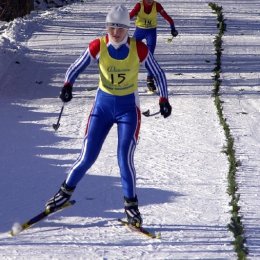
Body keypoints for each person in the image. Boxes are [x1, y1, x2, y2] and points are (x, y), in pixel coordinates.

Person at [45, 4, 172, 228]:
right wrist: (67, 85)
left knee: (124, 159)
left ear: (128, 29)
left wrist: (163, 99)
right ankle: (64, 193)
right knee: (87, 156)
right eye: (111, 27)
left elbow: (158, 73)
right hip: (102, 108)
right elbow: (76, 66)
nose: (115, 32)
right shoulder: (98, 45)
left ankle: (131, 207)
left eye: (120, 28)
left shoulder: (138, 48)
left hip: (127, 110)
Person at [130, 0, 178, 92]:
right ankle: (126, 74)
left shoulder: (157, 6)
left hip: (151, 32)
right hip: (139, 31)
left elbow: (168, 18)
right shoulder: (139, 5)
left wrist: (173, 29)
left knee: (150, 57)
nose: (149, 1)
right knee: (130, 51)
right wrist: (120, 26)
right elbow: (130, 16)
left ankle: (150, 79)